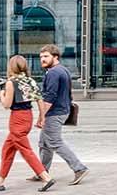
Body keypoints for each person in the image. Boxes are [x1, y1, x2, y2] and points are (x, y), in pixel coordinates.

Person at [0, 55, 54, 192]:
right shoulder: (29, 81)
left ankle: (45, 177)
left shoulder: (11, 83)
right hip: (28, 116)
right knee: (8, 149)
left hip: (17, 118)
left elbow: (6, 105)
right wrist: (41, 117)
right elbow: (40, 100)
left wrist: (1, 95)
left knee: (25, 150)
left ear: (11, 67)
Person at [34, 45, 89, 185]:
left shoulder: (53, 73)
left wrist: (41, 117)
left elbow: (50, 97)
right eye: (41, 57)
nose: (42, 59)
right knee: (44, 143)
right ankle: (42, 172)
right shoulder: (63, 70)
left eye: (46, 56)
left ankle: (79, 168)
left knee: (55, 142)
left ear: (55, 57)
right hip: (61, 110)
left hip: (54, 112)